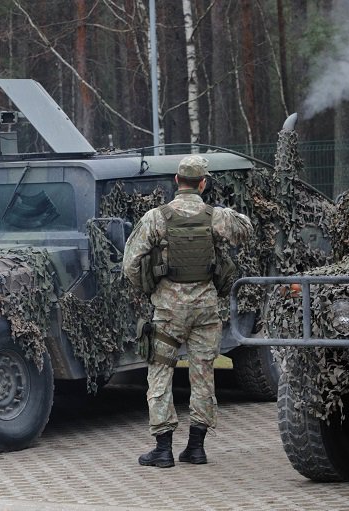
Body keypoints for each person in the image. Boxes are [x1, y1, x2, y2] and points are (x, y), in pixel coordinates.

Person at [123, 154, 252, 468]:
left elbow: (129, 265)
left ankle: (163, 450)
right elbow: (246, 230)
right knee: (204, 374)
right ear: (204, 184)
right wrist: (223, 213)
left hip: (168, 311)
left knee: (160, 372)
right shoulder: (215, 217)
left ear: (177, 182)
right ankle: (196, 448)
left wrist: (150, 286)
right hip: (206, 310)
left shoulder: (157, 217)